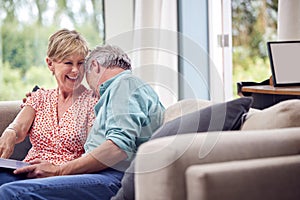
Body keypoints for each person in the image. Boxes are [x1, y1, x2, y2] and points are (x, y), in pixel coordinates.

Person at [0, 44, 165, 199]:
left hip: (111, 177)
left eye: (83, 67)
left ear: (95, 66)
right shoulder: (120, 89)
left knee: (12, 193)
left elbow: (117, 148)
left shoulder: (124, 84)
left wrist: (58, 170)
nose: (82, 77)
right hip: (99, 175)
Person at [0, 29, 98, 185]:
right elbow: (19, 127)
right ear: (50, 64)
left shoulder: (93, 102)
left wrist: (58, 169)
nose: (75, 70)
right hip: (26, 172)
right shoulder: (39, 97)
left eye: (81, 63)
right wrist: (10, 133)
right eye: (68, 62)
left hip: (64, 177)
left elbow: (94, 151)